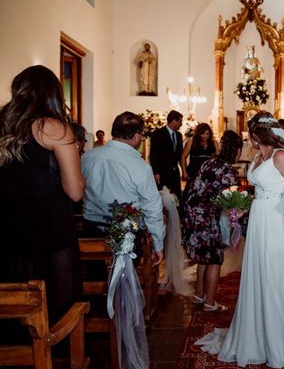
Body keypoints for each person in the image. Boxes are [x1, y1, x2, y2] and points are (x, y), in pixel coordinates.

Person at [198, 111, 284, 369]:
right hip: (258, 219)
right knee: (258, 275)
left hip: (277, 221)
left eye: (252, 134)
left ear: (260, 133)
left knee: (274, 275)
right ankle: (256, 334)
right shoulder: (258, 156)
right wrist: (246, 206)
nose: (250, 139)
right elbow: (260, 190)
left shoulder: (280, 155)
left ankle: (278, 339)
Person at [0, 65, 85, 322]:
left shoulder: (3, 124)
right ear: (52, 94)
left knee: (13, 296)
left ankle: (19, 351)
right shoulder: (54, 127)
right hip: (48, 223)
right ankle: (55, 353)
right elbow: (74, 192)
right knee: (57, 304)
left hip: (7, 220)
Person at [82, 111, 165, 264]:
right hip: (126, 233)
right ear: (136, 137)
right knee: (124, 283)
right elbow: (152, 207)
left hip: (91, 230)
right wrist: (158, 244)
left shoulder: (87, 157)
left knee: (95, 277)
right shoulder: (140, 166)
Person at [182, 130, 244, 312]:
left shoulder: (209, 161)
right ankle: (210, 302)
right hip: (206, 217)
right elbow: (232, 201)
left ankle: (199, 295)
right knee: (215, 258)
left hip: (191, 212)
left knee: (203, 257)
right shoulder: (227, 171)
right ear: (236, 150)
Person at [150, 110, 183, 199]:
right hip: (162, 173)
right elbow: (153, 154)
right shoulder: (158, 133)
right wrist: (156, 172)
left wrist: (184, 170)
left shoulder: (179, 135)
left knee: (176, 197)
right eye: (180, 121)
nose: (181, 124)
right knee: (164, 197)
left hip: (175, 173)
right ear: (173, 121)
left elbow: (180, 155)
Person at [180, 123, 216, 190]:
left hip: (208, 173)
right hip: (194, 172)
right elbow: (183, 157)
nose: (205, 136)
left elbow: (218, 158)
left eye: (207, 134)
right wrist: (184, 172)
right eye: (202, 134)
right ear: (198, 133)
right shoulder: (191, 141)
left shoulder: (213, 142)